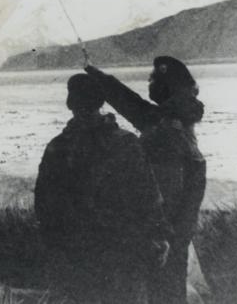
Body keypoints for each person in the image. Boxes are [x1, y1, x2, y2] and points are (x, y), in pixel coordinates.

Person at [35, 73, 170, 304]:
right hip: (124, 251)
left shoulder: (57, 147)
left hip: (76, 253)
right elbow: (148, 196)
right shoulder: (127, 143)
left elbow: (44, 205)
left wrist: (55, 245)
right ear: (101, 102)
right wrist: (159, 236)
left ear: (70, 103)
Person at [85, 57, 207, 304]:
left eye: (152, 78)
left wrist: (158, 235)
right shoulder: (172, 119)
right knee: (171, 288)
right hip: (174, 234)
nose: (148, 82)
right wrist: (96, 74)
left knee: (163, 290)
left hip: (164, 235)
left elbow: (166, 195)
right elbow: (129, 102)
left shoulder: (165, 131)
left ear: (165, 85)